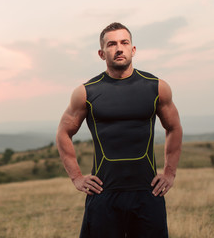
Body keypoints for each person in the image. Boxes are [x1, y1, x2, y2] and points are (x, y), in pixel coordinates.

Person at [56, 22, 182, 238]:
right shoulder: (87, 92)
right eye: (112, 44)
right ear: (101, 53)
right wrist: (76, 177)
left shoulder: (156, 87)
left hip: (147, 192)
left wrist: (169, 173)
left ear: (133, 49)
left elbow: (174, 128)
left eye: (124, 42)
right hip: (104, 195)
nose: (119, 48)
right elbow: (63, 133)